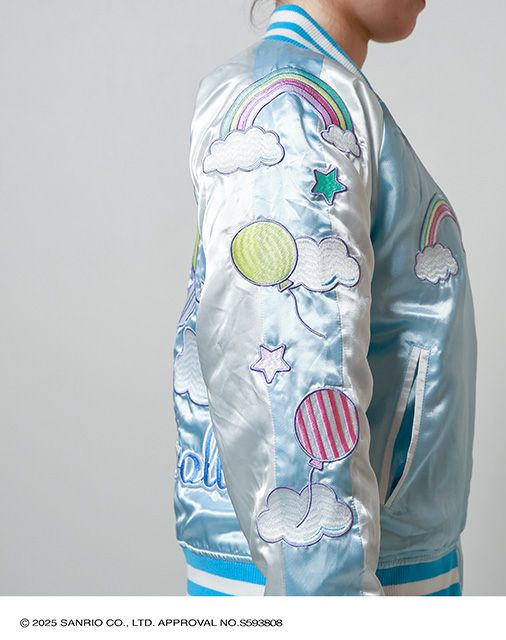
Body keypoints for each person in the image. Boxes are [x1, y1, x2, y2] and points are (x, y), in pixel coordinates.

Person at [172, 0, 478, 596]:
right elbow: (294, 372)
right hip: (327, 579)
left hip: (371, 564)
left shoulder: (322, 98)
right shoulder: (292, 106)